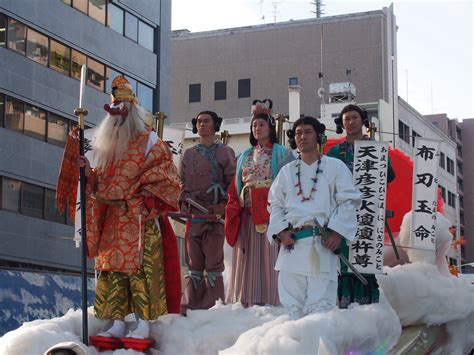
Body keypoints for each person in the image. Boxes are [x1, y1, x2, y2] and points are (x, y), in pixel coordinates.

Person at [77, 75, 182, 339]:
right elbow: (99, 182)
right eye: (115, 110)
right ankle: (117, 322)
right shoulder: (106, 146)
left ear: (132, 110)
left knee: (141, 272)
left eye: (123, 109)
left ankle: (144, 322)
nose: (118, 116)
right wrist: (88, 173)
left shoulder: (150, 141)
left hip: (138, 218)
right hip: (113, 218)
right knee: (112, 271)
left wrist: (145, 196)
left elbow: (167, 175)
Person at [267, 116, 361, 319]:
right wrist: (281, 232)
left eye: (308, 132)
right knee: (292, 310)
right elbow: (275, 205)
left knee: (320, 309)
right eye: (298, 133)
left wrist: (337, 233)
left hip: (322, 244)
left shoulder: (335, 166)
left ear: (318, 135)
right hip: (292, 246)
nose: (303, 137)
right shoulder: (286, 172)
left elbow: (349, 201)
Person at [225, 99, 294, 307]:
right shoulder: (244, 155)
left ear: (271, 126)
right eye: (254, 125)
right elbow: (236, 186)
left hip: (272, 214)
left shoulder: (282, 153)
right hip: (247, 213)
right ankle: (246, 298)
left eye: (262, 124)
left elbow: (289, 184)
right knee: (248, 259)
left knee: (270, 256)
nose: (257, 128)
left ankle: (273, 300)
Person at [327, 104, 395, 309]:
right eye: (346, 119)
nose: (350, 122)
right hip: (342, 212)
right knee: (345, 259)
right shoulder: (336, 151)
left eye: (354, 117)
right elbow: (327, 180)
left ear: (363, 120)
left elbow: (389, 175)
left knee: (366, 258)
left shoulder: (376, 147)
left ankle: (368, 306)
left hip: (369, 209)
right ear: (341, 123)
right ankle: (345, 304)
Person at [179, 111, 236, 314]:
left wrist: (222, 206)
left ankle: (214, 304)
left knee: (213, 261)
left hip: (214, 215)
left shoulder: (226, 152)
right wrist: (183, 200)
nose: (201, 124)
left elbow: (233, 183)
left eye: (206, 121)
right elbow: (182, 183)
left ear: (215, 125)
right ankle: (191, 303)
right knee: (193, 261)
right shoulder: (188, 154)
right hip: (194, 214)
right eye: (198, 121)